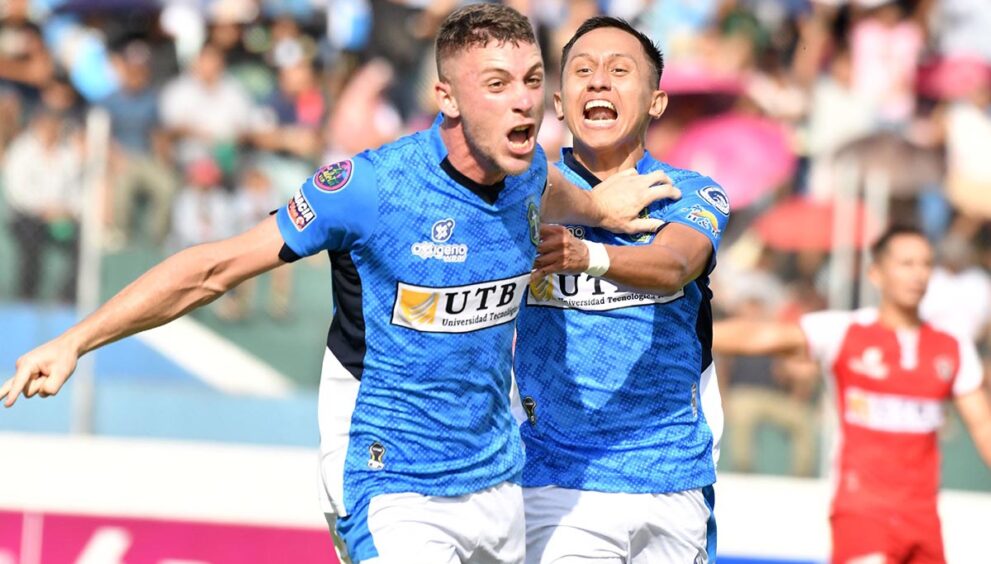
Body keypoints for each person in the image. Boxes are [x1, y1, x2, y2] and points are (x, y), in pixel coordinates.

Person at [1, 5, 677, 564]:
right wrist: (76, 341)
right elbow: (210, 270)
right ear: (445, 96)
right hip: (389, 482)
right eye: (496, 84)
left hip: (496, 479)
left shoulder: (527, 171)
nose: (524, 100)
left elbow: (550, 188)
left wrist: (598, 208)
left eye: (531, 79)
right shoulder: (369, 189)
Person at [513, 17, 729, 563]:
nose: (599, 81)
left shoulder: (688, 192)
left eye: (619, 70)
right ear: (559, 104)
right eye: (583, 70)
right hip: (556, 481)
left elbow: (674, 264)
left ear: (657, 102)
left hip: (672, 480)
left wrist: (587, 256)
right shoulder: (523, 191)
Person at [712, 226, 991, 564]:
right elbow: (766, 337)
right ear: (876, 273)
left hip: (924, 520)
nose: (918, 274)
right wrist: (691, 335)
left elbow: (983, 426)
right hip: (862, 514)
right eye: (906, 264)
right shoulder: (845, 331)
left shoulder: (952, 346)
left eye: (925, 264)